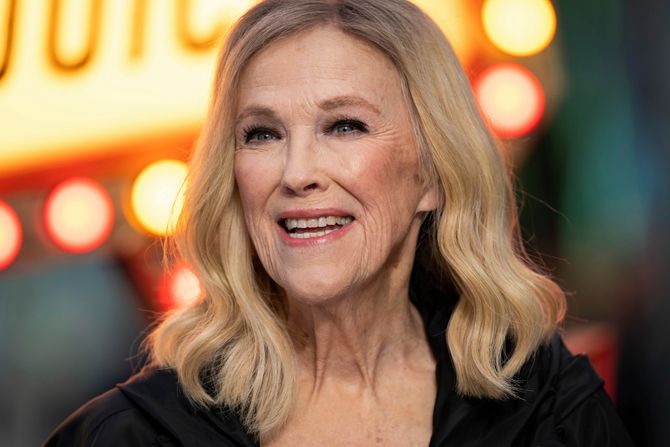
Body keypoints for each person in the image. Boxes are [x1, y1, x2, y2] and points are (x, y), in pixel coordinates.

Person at [44, 0, 635, 445]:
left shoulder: (548, 409)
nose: (297, 173)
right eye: (262, 134)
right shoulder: (130, 435)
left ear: (433, 175)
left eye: (345, 126)